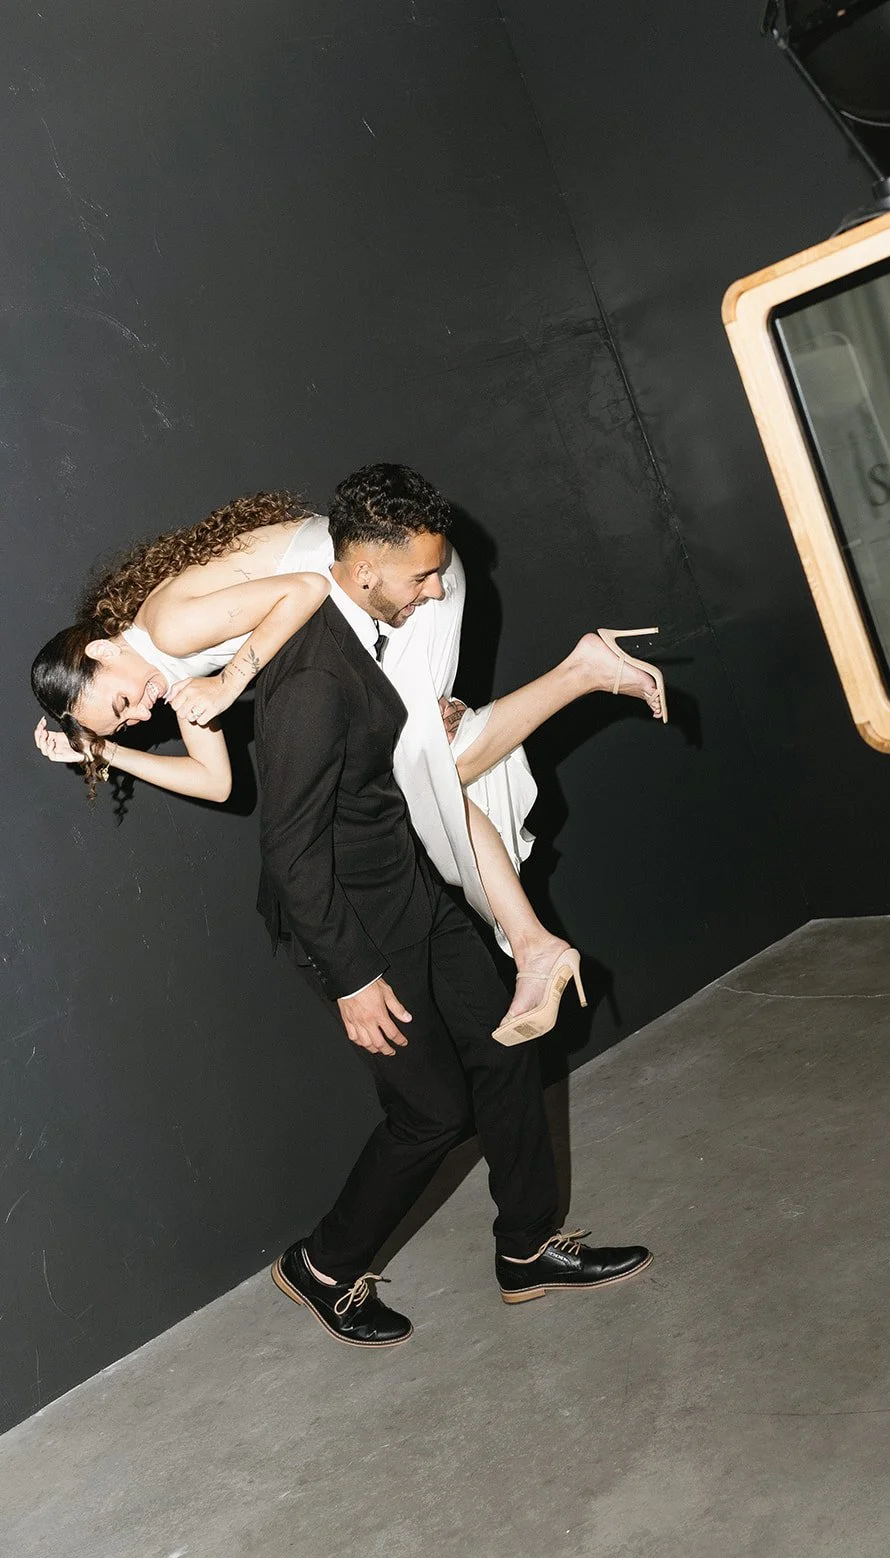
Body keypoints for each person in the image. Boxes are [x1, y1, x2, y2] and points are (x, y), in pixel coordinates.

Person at [31, 483, 666, 1039]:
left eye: (121, 704)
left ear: (103, 651)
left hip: (399, 579)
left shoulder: (168, 630)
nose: (141, 715)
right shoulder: (164, 670)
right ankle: (534, 946)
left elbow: (308, 588)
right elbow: (218, 783)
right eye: (126, 723)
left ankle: (585, 674)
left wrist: (228, 683)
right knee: (429, 775)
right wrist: (108, 752)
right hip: (376, 599)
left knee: (427, 776)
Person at [258, 463, 653, 1345]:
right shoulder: (311, 673)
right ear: (365, 568)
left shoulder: (369, 631)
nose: (436, 590)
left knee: (510, 1046)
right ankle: (321, 1267)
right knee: (432, 1113)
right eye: (424, 575)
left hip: (408, 888)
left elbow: (379, 755)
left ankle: (527, 1249)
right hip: (351, 924)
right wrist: (351, 978)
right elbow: (288, 849)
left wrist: (427, 722)